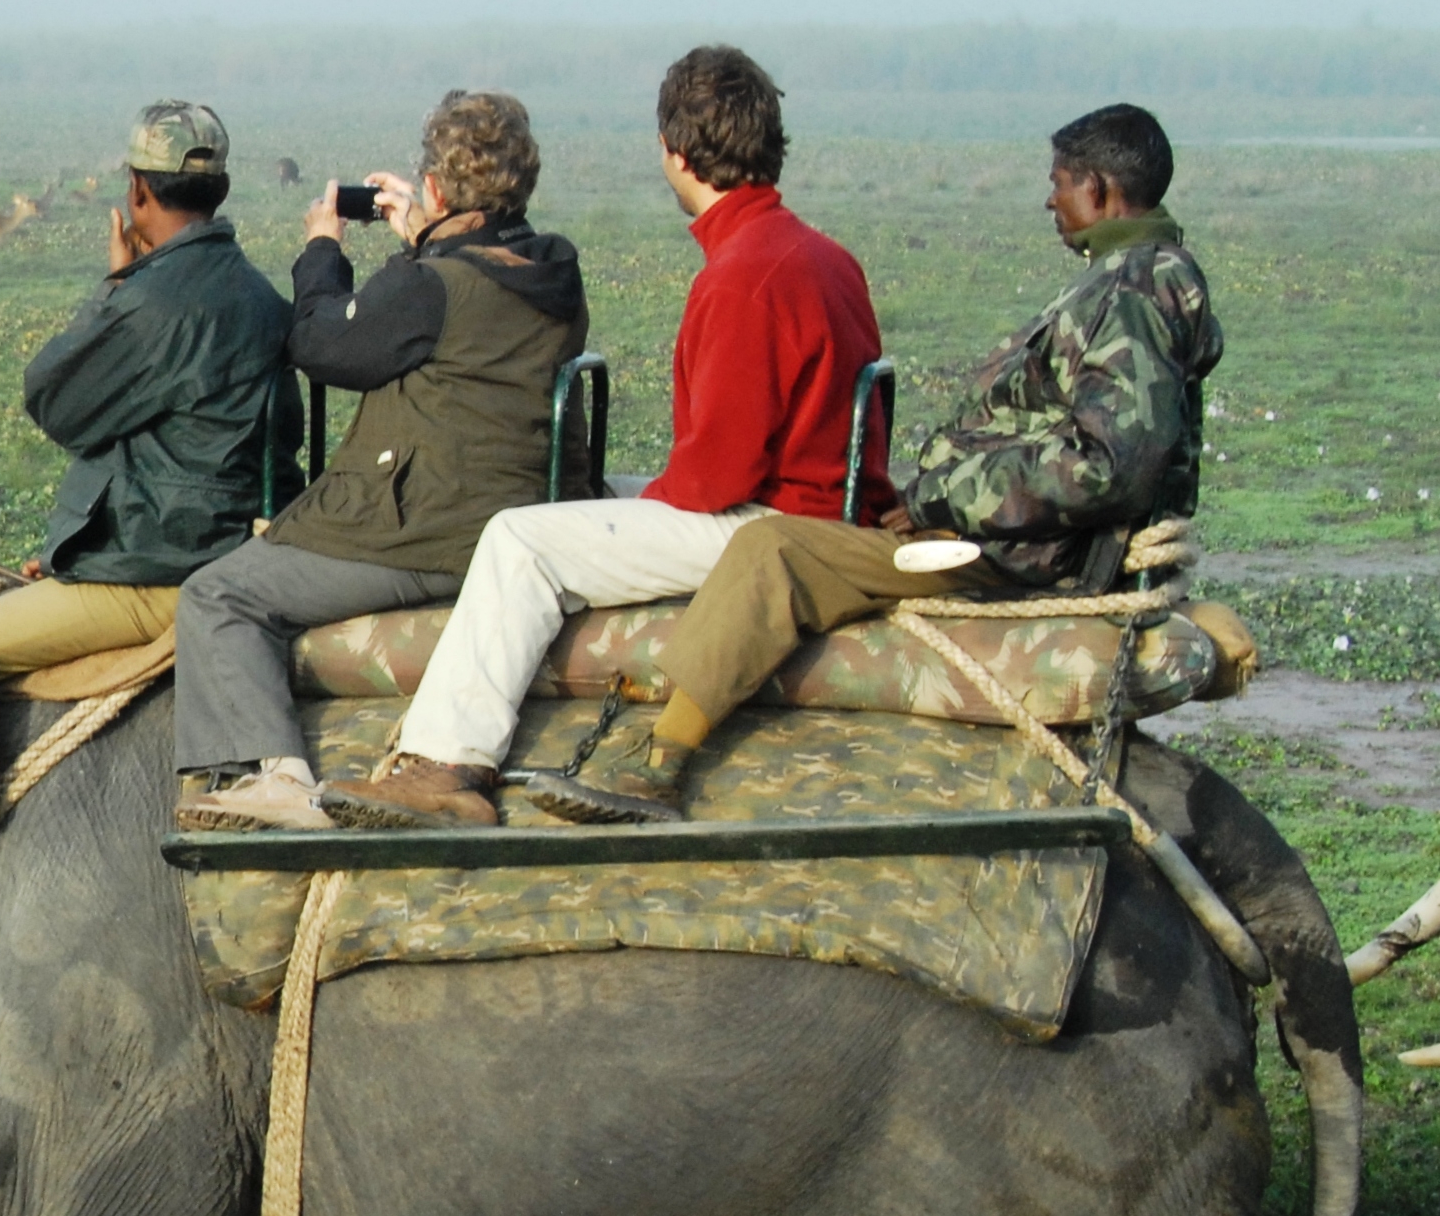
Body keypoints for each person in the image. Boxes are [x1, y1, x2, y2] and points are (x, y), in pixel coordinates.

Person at [530, 101, 1223, 821]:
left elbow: (1110, 465)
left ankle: (656, 761)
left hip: (1022, 555)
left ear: (1101, 191)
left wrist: (938, 501)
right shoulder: (1141, 275)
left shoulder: (1129, 291)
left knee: (773, 547)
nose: (1048, 199)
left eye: (1059, 182)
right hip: (1012, 540)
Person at [319, 46, 887, 829]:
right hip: (817, 506)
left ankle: (446, 764)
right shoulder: (824, 255)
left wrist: (623, 512)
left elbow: (714, 477)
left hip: (774, 523)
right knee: (589, 496)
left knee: (522, 536)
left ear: (673, 153)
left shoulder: (740, 275)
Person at [169, 90, 593, 833]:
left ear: (432, 187)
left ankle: (277, 778)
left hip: (424, 529)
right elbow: (455, 324)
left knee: (218, 595)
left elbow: (324, 344)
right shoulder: (550, 267)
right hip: (520, 511)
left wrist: (321, 249)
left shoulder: (432, 285)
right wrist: (427, 242)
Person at [0, 102, 303, 675]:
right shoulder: (258, 294)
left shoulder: (153, 302)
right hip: (225, 550)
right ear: (219, 189)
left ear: (137, 191)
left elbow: (55, 400)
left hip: (164, 573)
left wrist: (117, 287)